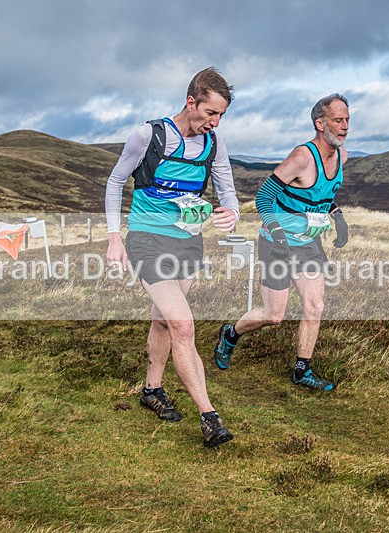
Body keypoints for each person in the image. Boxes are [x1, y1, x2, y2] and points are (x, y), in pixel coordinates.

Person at [105, 67, 239, 447]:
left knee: (165, 321)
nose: (214, 123)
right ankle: (209, 416)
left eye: (221, 116)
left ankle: (152, 390)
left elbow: (228, 191)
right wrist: (115, 237)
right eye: (210, 113)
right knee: (183, 325)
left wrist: (231, 212)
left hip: (188, 242)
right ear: (191, 101)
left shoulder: (214, 144)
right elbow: (116, 181)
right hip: (147, 240)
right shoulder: (149, 135)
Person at [213, 93, 350, 391]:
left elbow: (322, 196)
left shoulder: (342, 156)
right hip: (276, 243)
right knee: (274, 315)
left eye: (347, 120)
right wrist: (276, 232)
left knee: (315, 306)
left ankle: (302, 371)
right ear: (319, 123)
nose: (344, 126)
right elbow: (264, 197)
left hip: (308, 245)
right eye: (337, 120)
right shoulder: (302, 157)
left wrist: (337, 216)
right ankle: (230, 334)